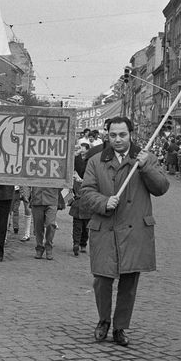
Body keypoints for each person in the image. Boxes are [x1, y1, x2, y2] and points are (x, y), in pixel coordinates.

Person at [81, 116, 169, 347]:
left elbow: (161, 188)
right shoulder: (96, 160)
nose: (118, 139)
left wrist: (146, 166)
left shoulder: (145, 158)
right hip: (105, 228)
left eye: (122, 135)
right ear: (107, 135)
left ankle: (120, 326)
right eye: (113, 135)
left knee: (129, 282)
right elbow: (86, 191)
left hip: (134, 230)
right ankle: (103, 321)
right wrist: (103, 202)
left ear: (131, 134)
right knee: (102, 280)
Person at [30, 186, 61, 260]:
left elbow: (62, 183)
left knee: (51, 224)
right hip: (37, 199)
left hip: (51, 199)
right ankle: (39, 247)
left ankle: (49, 247)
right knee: (38, 226)